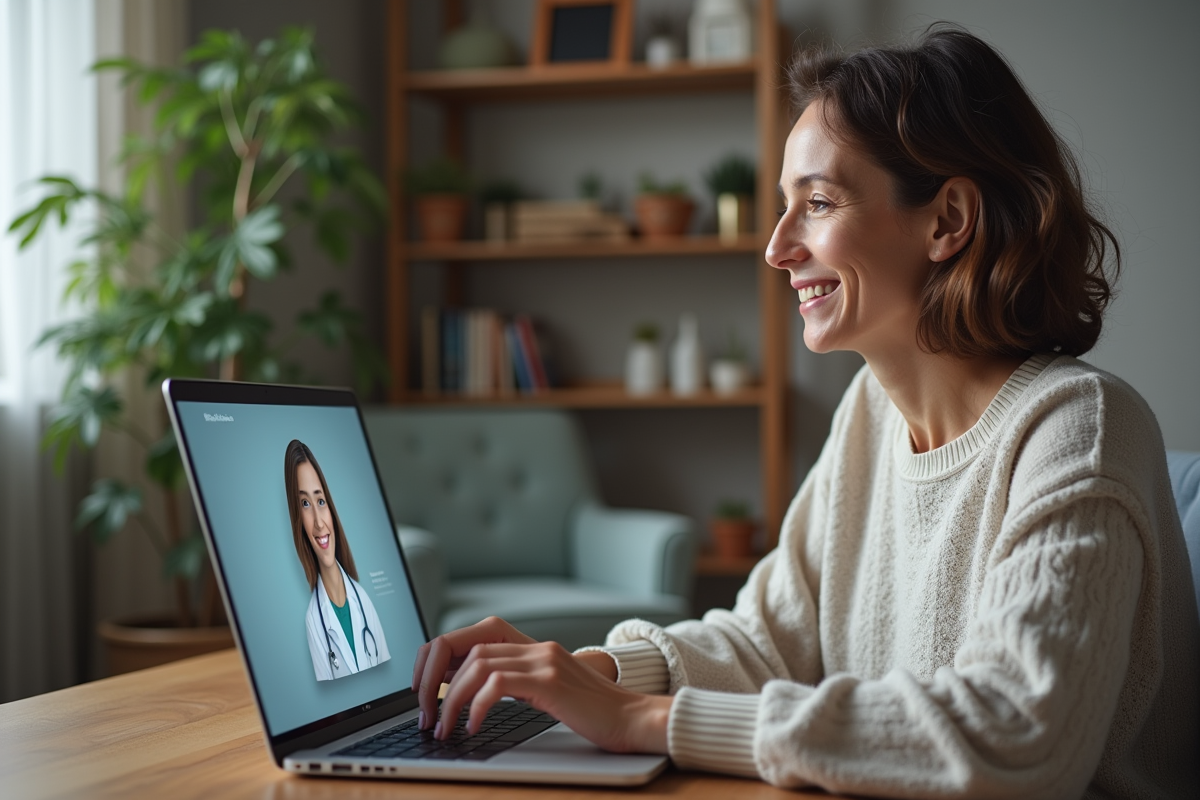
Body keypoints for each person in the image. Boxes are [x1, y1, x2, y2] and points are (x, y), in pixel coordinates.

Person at [409, 27, 1199, 797]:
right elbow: (766, 641)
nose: (777, 247)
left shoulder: (1080, 428)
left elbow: (1018, 735)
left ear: (947, 221)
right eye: (784, 207)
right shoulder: (871, 411)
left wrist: (645, 719)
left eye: (817, 202)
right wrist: (582, 674)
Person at [285, 439, 391, 681]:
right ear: (297, 519)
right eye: (305, 503)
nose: (319, 522)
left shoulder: (364, 601)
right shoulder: (314, 621)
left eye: (320, 501)